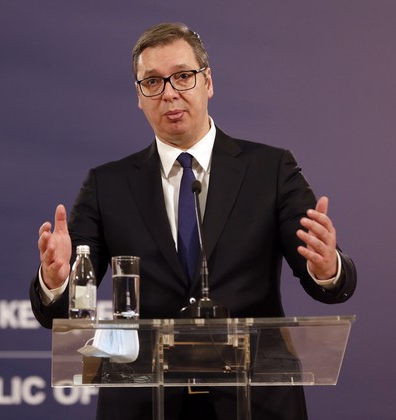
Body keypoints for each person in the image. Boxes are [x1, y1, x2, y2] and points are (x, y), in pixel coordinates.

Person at [29, 22, 357, 420]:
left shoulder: (270, 169)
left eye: (183, 76)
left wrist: (326, 267)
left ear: (208, 83)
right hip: (144, 403)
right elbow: (60, 313)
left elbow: (329, 282)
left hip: (254, 402)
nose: (169, 92)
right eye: (152, 81)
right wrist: (57, 279)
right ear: (139, 96)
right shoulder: (107, 185)